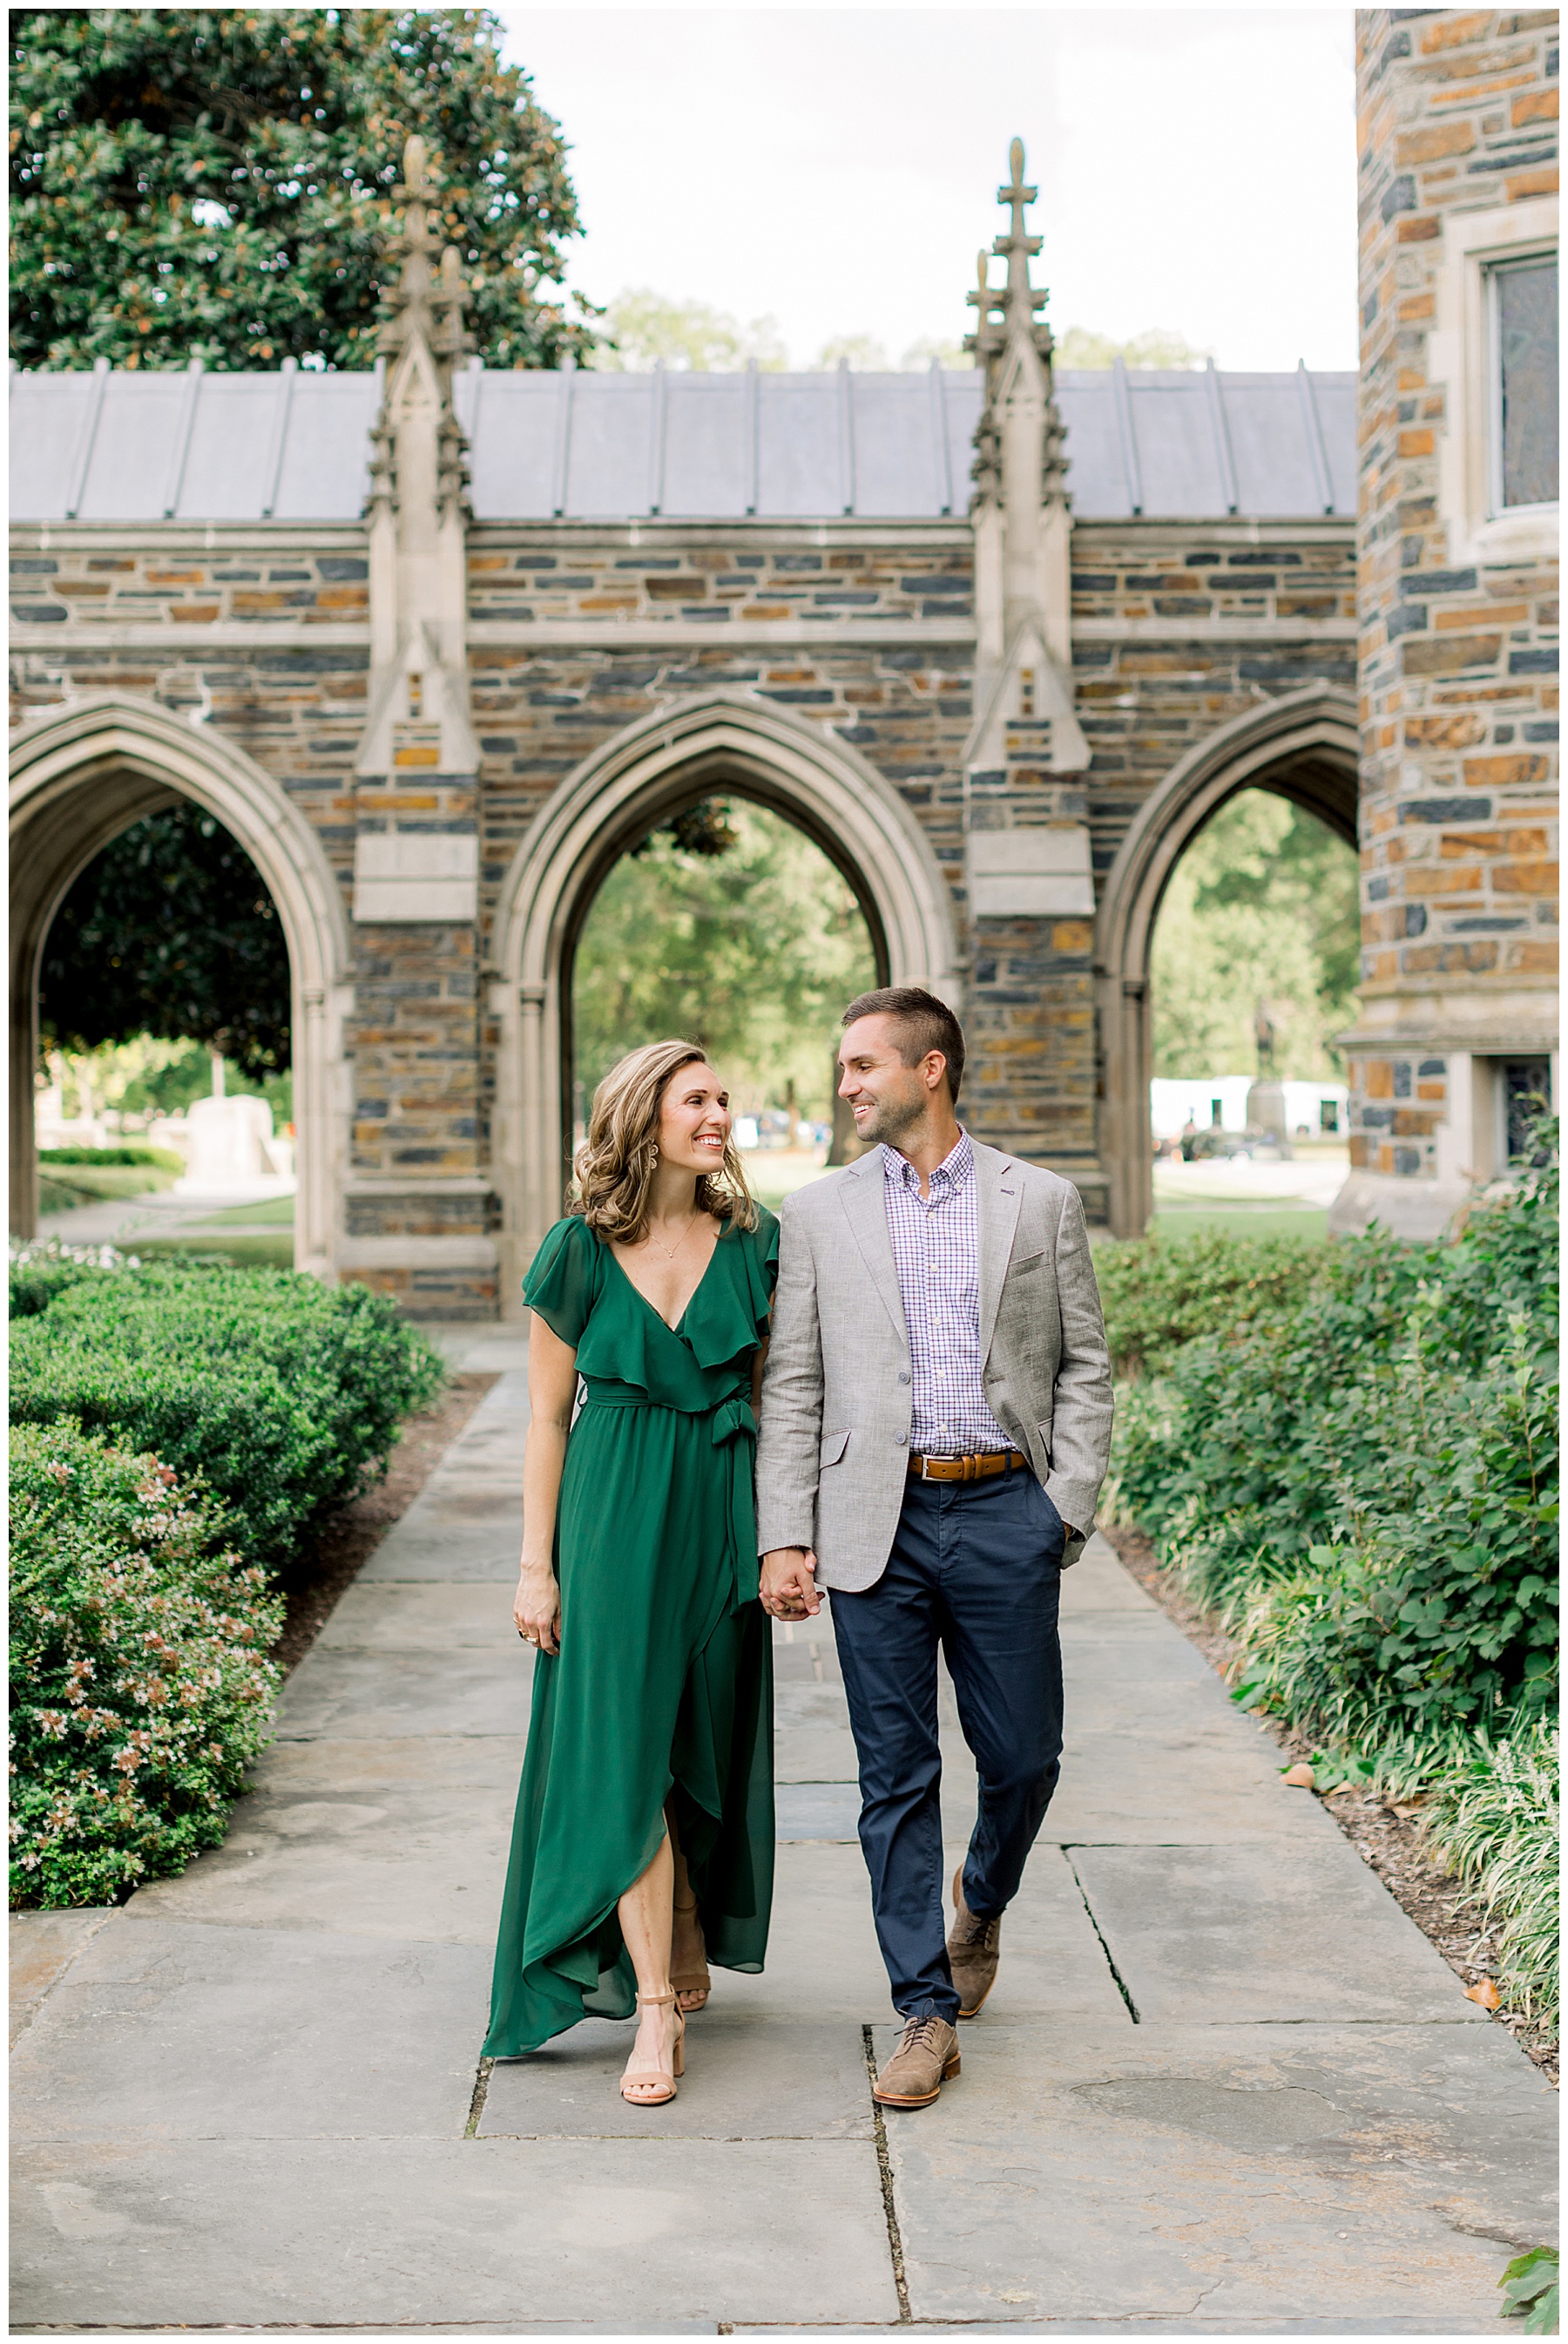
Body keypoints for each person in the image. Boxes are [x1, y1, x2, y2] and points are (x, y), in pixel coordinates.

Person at [755, 987, 1112, 2111]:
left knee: (1024, 1759)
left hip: (1007, 1509)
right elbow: (796, 1382)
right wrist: (788, 1532)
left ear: (934, 1067)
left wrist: (1065, 1501)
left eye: (865, 1065)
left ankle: (984, 1894)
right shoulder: (817, 1213)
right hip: (877, 1526)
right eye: (845, 1068)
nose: (849, 1085)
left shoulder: (1039, 1200)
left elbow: (1086, 1366)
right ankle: (924, 2009)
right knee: (894, 1775)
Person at [484, 1041, 778, 2108]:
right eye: (695, 1099)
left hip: (717, 1507)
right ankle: (652, 2005)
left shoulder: (755, 1243)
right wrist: (536, 1566)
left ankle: (689, 1912)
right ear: (641, 1116)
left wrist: (782, 1537)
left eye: (723, 1099)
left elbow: (781, 1400)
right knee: (622, 1750)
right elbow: (545, 1419)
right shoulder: (576, 1250)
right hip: (609, 1517)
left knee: (703, 1725)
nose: (718, 1115)